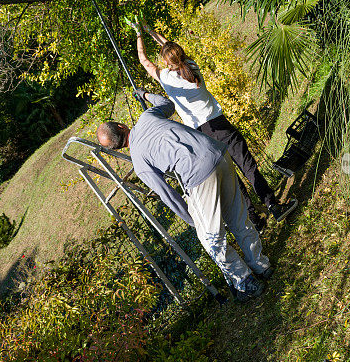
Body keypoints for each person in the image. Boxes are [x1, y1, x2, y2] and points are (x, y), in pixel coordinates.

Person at [96, 92, 273, 302]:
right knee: (237, 217)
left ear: (115, 147)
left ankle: (245, 282)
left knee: (211, 239)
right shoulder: (148, 116)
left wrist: (192, 220)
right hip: (219, 154)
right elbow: (166, 103)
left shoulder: (139, 163)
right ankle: (261, 265)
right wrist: (144, 94)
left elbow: (168, 196)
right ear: (122, 126)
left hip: (198, 177)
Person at [128, 18, 297, 230]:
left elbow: (144, 61)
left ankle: (255, 222)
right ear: (181, 54)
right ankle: (273, 205)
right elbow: (170, 47)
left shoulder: (167, 78)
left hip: (202, 135)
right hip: (221, 125)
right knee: (248, 167)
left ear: (166, 62)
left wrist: (139, 34)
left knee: (233, 179)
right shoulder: (192, 67)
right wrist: (151, 30)